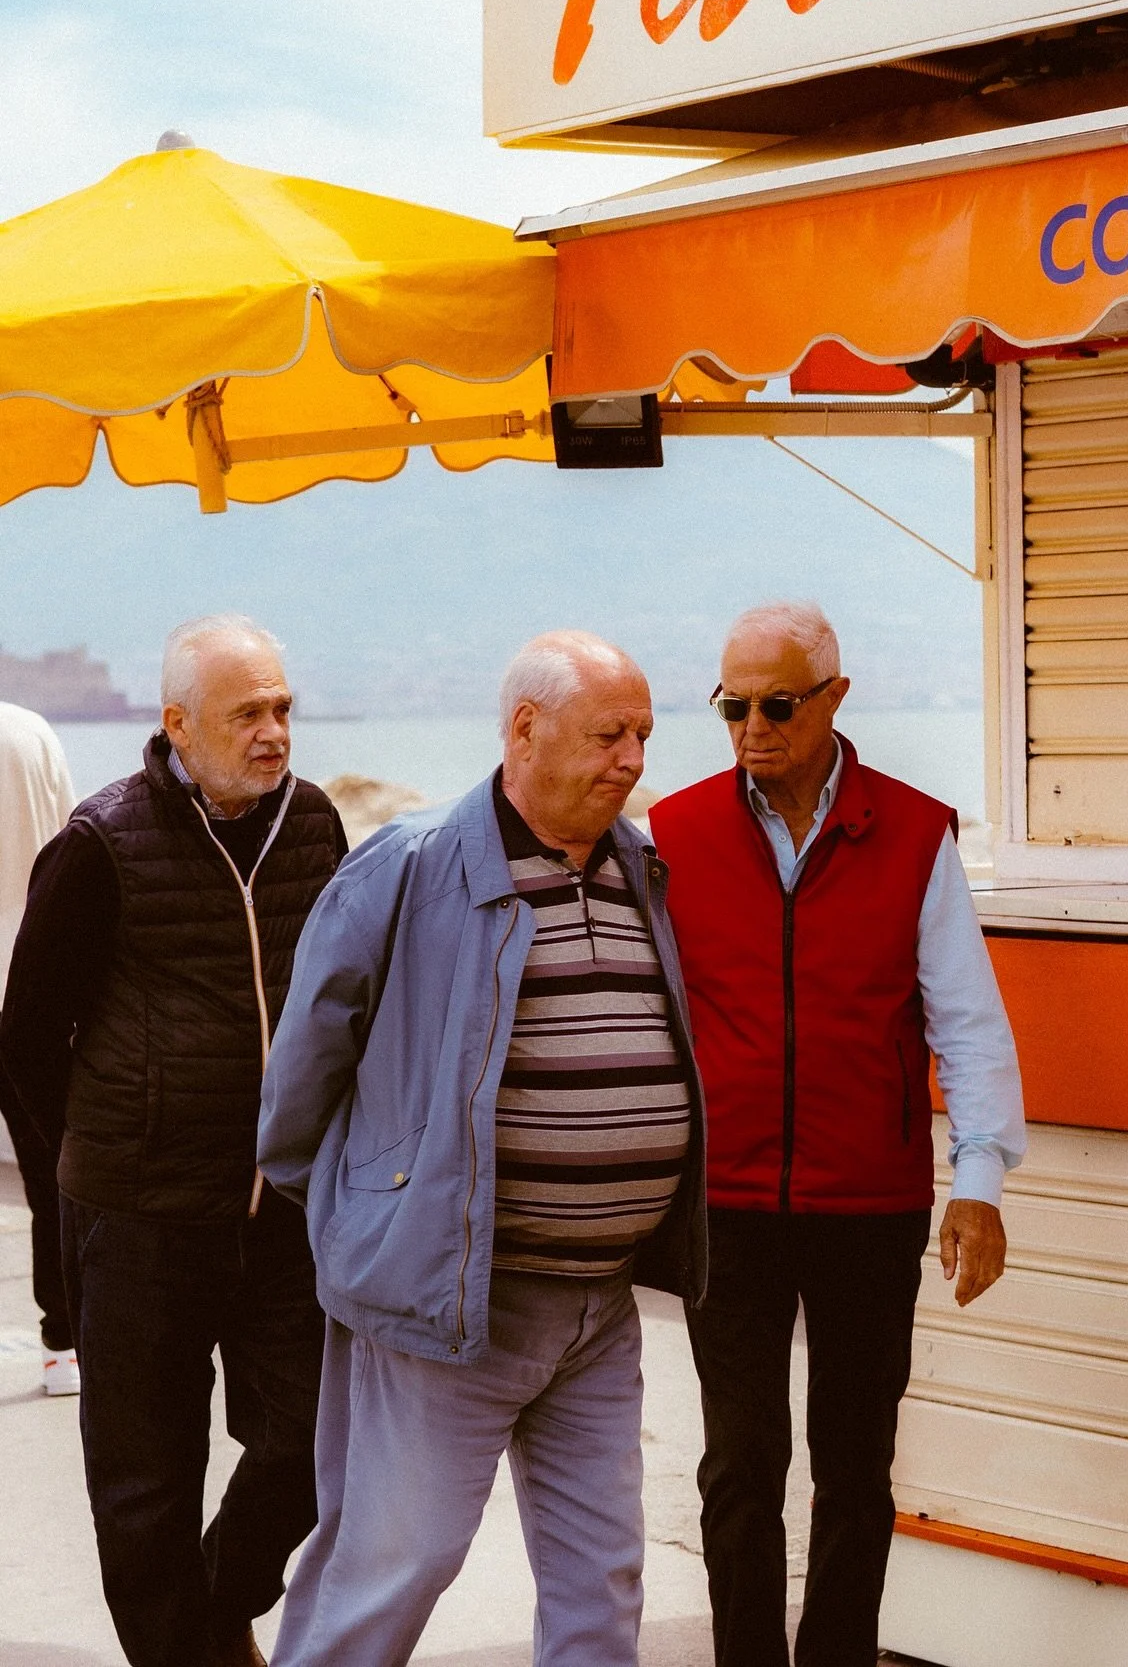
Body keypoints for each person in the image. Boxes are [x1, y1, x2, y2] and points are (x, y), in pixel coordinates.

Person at [257, 630, 706, 1667]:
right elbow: (300, 1082)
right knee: (390, 1569)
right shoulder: (409, 866)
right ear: (524, 729)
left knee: (603, 1578)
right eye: (609, 733)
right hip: (448, 1300)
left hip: (600, 1304)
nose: (634, 757)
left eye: (644, 732)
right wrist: (370, 1211)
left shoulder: (638, 864)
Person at [648, 601, 1026, 1667]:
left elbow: (967, 1018)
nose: (751, 727)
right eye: (732, 706)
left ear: (834, 697)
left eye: (775, 703)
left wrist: (981, 1179)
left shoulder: (912, 833)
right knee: (738, 1461)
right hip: (727, 1207)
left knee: (855, 1461)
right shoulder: (673, 834)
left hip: (871, 1201)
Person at [0, 615, 347, 1667]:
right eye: (248, 712)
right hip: (138, 1217)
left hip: (282, 1210)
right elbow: (24, 1043)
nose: (274, 731)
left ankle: (217, 1600)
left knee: (316, 1440)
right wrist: (69, 1226)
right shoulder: (102, 843)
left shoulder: (317, 825)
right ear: (178, 725)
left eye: (283, 706)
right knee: (143, 1488)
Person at [0, 699, 79, 1395]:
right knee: (51, 1173)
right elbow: (69, 847)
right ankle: (61, 1346)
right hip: (28, 977)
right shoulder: (32, 730)